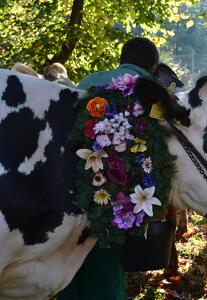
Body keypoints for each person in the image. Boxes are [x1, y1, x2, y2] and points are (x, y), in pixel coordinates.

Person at [57, 37, 159, 300]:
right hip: (120, 198)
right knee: (108, 268)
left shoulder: (89, 81)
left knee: (72, 259)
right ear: (154, 67)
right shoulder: (154, 94)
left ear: (121, 59)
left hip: (72, 190)